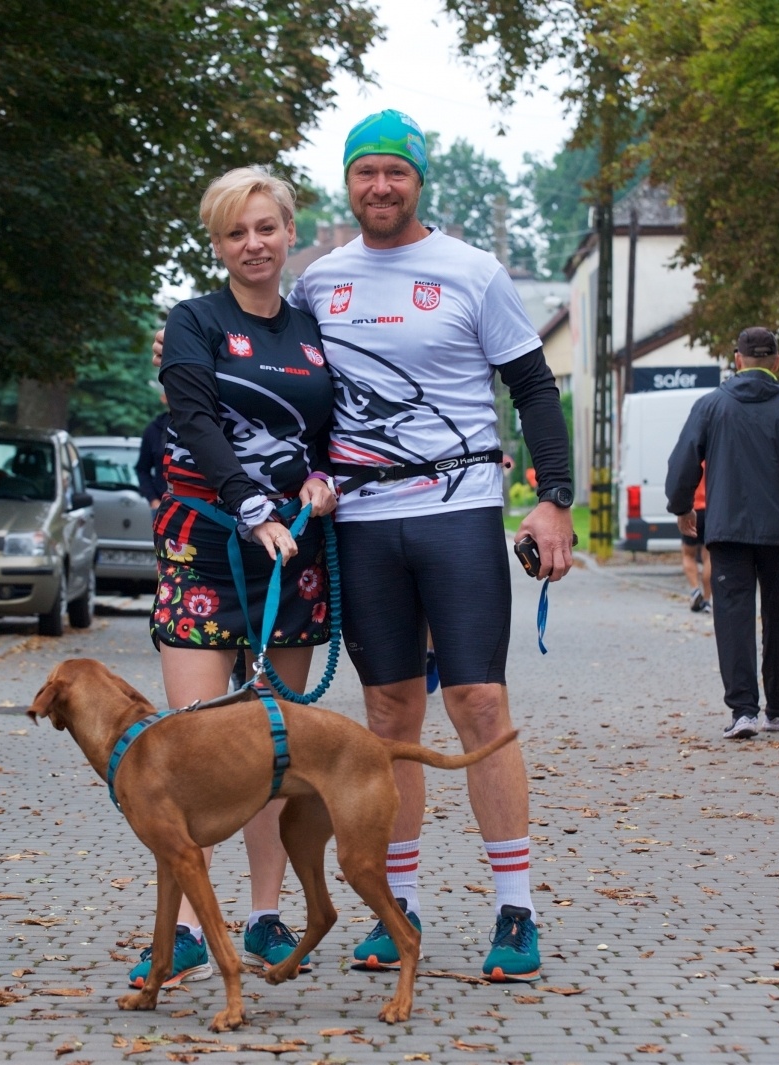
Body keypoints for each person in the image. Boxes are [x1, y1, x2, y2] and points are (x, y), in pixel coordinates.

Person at [290, 109, 575, 982]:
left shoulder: (471, 271)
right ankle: (396, 908)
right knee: (387, 720)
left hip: (458, 510)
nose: (380, 187)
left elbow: (532, 385)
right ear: (348, 183)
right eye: (365, 172)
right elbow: (286, 386)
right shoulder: (318, 281)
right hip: (365, 524)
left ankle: (515, 907)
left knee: (481, 704)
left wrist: (554, 499)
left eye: (396, 173)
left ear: (420, 182)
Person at [136, 165, 339, 989]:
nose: (252, 244)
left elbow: (335, 432)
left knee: (271, 746)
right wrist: (250, 499)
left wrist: (325, 484)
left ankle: (264, 913)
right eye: (234, 232)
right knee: (193, 742)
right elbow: (195, 419)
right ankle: (189, 925)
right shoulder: (194, 321)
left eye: (265, 228)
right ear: (217, 244)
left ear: (291, 232)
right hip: (204, 543)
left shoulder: (315, 330)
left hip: (290, 553)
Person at [665, 327, 779, 740]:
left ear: (737, 360)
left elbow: (684, 460)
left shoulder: (711, 406)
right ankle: (778, 705)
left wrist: (682, 507)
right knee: (778, 612)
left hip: (727, 529)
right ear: (776, 361)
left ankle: (742, 711)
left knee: (732, 614)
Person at [681, 466, 711, 613]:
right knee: (708, 557)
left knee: (688, 554)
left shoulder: (692, 458)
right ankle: (707, 600)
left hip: (692, 510)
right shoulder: (712, 457)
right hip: (710, 511)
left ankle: (694, 590)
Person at [135, 395, 170, 509]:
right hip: (162, 505)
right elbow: (142, 469)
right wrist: (153, 500)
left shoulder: (198, 427)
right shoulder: (153, 430)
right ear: (163, 398)